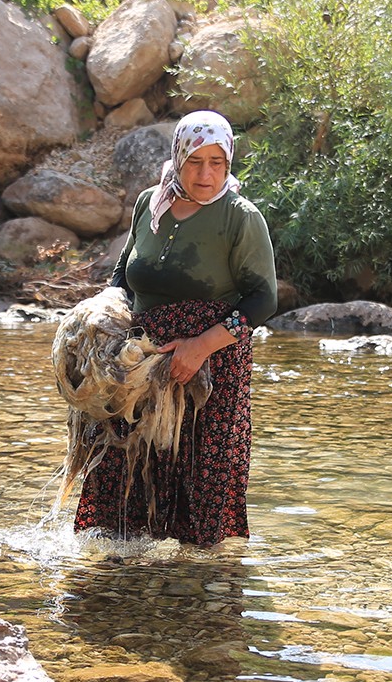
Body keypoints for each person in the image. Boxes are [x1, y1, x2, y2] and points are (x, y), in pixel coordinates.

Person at [75, 111, 277, 547]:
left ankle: (195, 593)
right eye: (195, 161)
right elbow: (123, 276)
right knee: (119, 471)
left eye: (217, 162)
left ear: (228, 164)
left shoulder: (240, 217)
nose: (206, 174)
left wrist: (200, 347)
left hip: (208, 373)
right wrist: (102, 320)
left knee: (196, 490)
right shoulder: (150, 203)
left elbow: (263, 300)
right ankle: (117, 585)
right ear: (178, 157)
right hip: (139, 368)